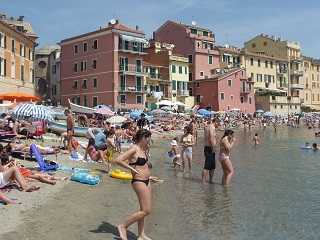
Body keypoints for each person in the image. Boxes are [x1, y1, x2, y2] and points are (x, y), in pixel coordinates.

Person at [114, 129, 153, 240]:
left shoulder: (143, 149)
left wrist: (150, 176)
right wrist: (132, 169)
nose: (149, 140)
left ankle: (141, 235)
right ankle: (123, 226)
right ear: (144, 138)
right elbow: (118, 160)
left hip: (147, 180)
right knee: (147, 210)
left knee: (143, 210)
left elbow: (145, 166)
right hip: (139, 181)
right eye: (148, 138)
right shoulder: (134, 148)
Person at [202, 118, 216, 184]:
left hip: (207, 147)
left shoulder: (206, 127)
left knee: (212, 166)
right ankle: (204, 181)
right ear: (215, 122)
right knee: (207, 166)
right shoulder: (212, 127)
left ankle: (210, 180)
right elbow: (211, 137)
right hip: (210, 147)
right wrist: (213, 147)